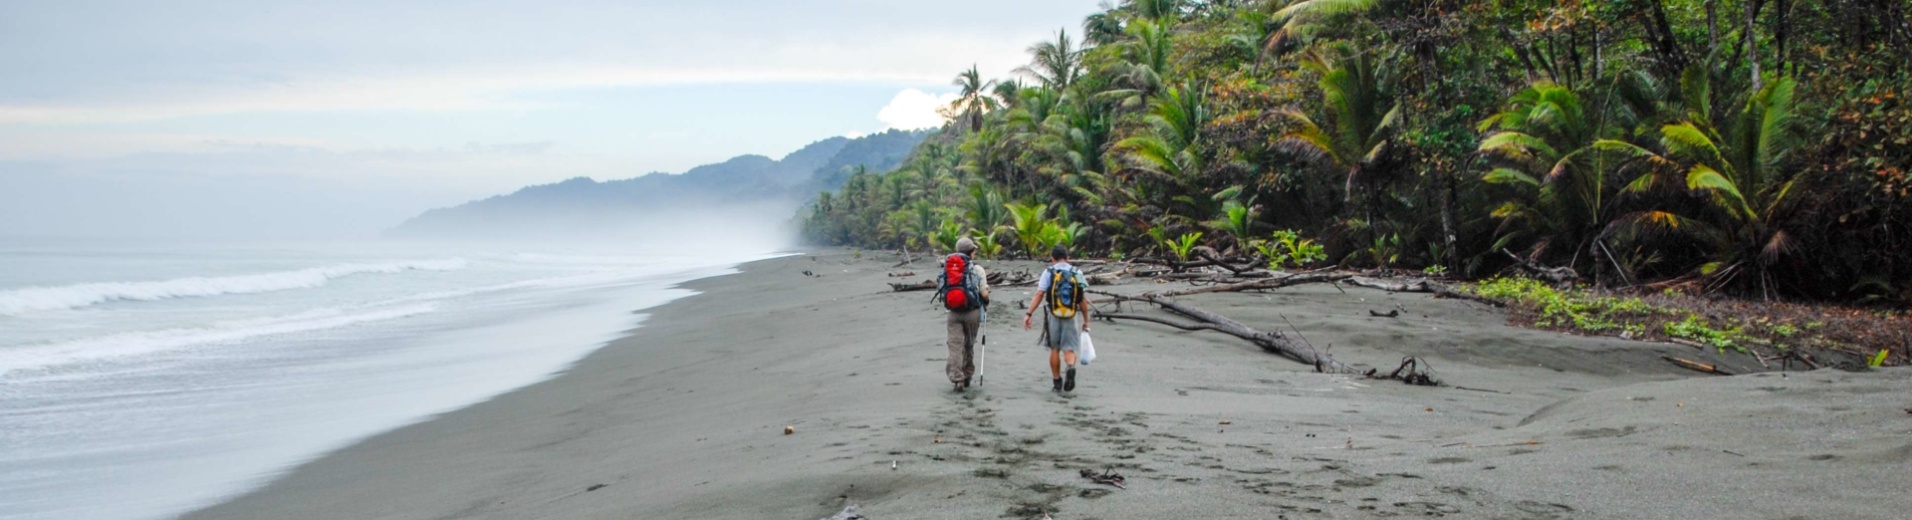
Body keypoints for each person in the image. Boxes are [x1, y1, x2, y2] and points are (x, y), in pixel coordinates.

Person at [1024, 245, 1090, 393]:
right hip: (1071, 314)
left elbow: (1039, 294)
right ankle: (1071, 366)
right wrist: (1086, 321)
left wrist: (1029, 313)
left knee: (1054, 348)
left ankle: (1057, 382)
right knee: (1069, 347)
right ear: (1068, 258)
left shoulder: (1049, 272)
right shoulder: (1076, 272)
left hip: (1053, 314)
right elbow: (1082, 300)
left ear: (1052, 258)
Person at [941, 237, 990, 392]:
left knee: (954, 346)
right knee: (968, 344)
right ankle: (967, 374)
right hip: (972, 312)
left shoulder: (948, 268)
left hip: (953, 312)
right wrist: (987, 300)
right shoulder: (977, 269)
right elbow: (983, 292)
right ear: (971, 252)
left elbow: (942, 288)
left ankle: (957, 379)